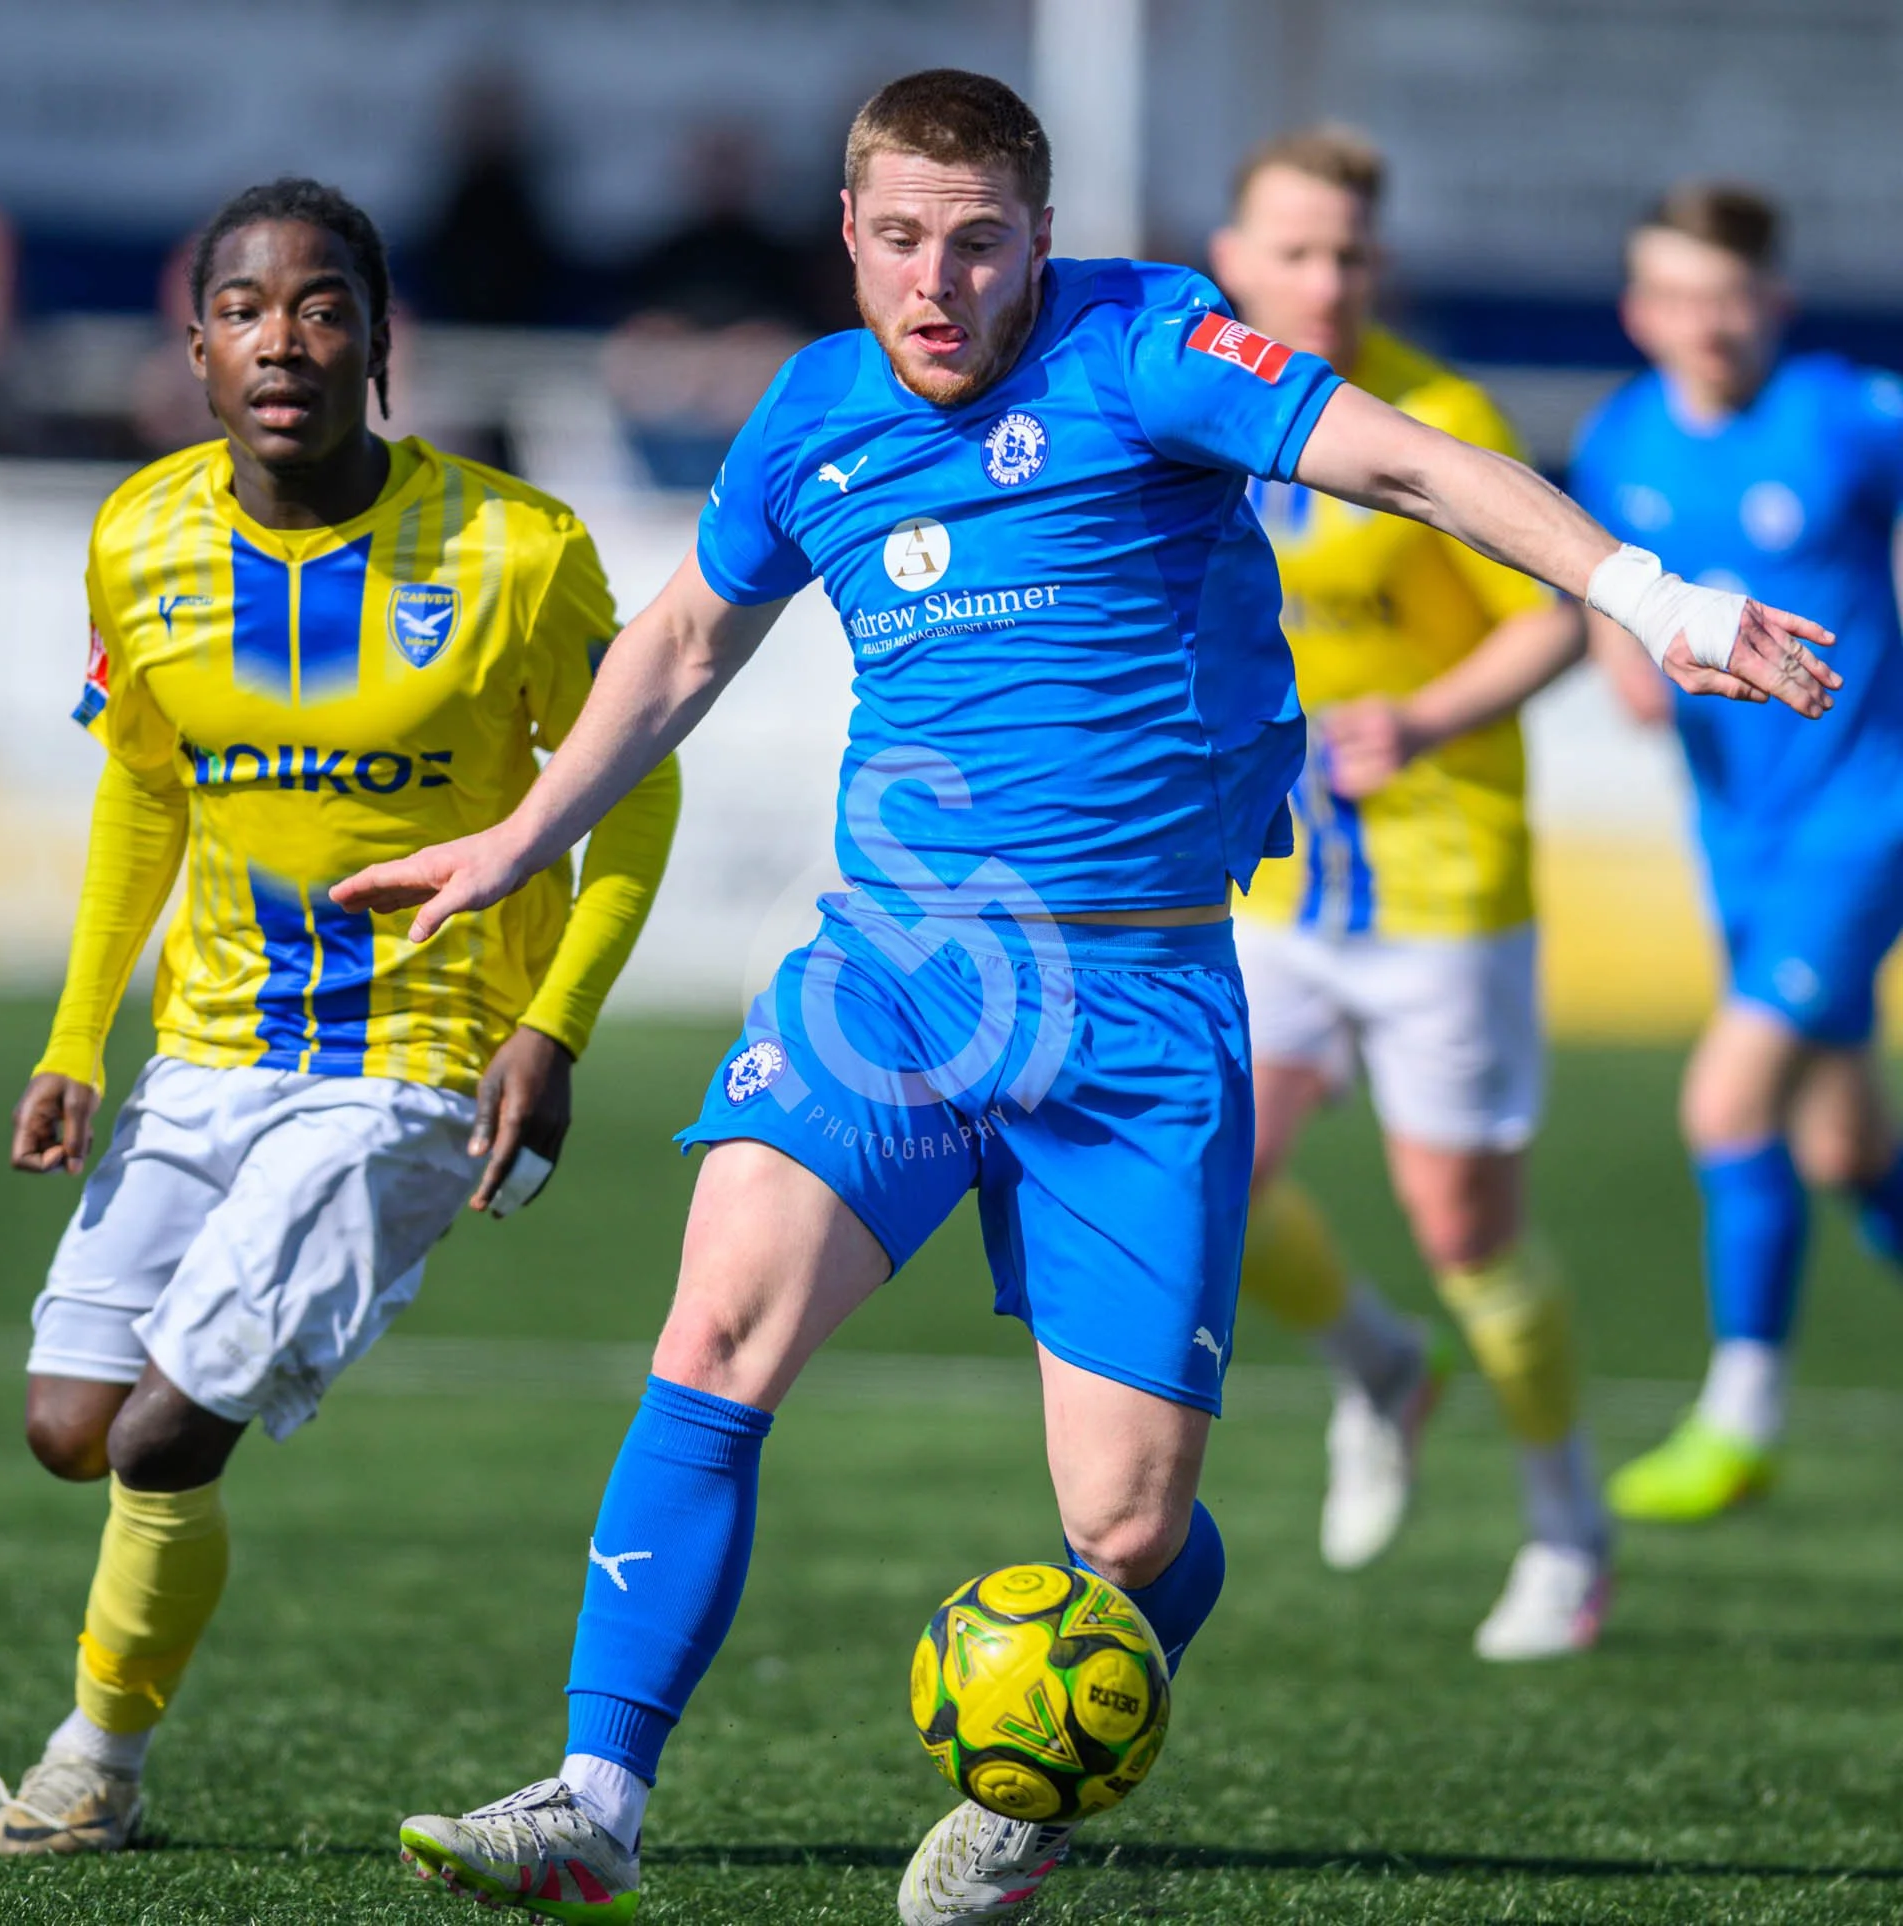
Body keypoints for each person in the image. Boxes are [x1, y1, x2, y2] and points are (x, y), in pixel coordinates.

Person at [335, 73, 1833, 1926]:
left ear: (1041, 234)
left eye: (979, 242)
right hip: (891, 972)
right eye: (899, 241)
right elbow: (682, 642)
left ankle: (1053, 1761)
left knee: (1126, 1529)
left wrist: (1652, 600)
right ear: (849, 231)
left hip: (1135, 1003)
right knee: (715, 1325)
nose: (937, 283)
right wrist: (520, 832)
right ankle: (592, 1792)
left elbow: (1419, 464)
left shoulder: (1148, 350)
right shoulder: (812, 409)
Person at [0, 177, 679, 1857]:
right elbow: (146, 798)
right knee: (70, 1424)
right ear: (195, 346)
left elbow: (632, 800)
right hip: (210, 1049)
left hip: (417, 1070)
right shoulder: (138, 534)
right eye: (243, 309)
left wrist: (554, 1024)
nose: (280, 339)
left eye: (321, 307)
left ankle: (95, 1770)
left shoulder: (520, 549)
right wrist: (80, 1035)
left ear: (379, 343)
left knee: (162, 1429)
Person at [1205, 128, 1608, 1658]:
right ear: (1234, 260)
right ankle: (1381, 1366)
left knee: (1466, 1225)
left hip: (1442, 876)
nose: (1328, 278)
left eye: (1353, 253)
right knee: (1216, 1171)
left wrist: (1421, 720)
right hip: (1277, 878)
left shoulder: (1439, 417)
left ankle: (1567, 1525)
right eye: (1298, 251)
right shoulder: (1201, 409)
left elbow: (1558, 618)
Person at [1573, 183, 1903, 1522]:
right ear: (1638, 310)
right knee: (1840, 1143)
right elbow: (1604, 583)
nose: (1705, 322)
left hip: (1865, 816)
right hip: (1737, 835)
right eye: (1678, 296)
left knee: (1727, 1100)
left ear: (1774, 301)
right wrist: (1623, 652)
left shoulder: (1848, 413)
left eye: (1730, 296)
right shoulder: (1620, 436)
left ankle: (1742, 1411)